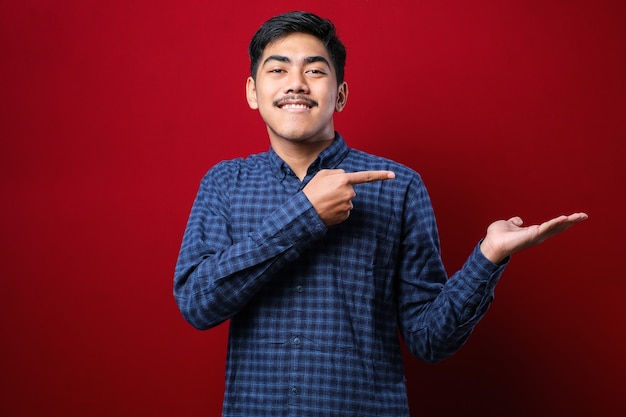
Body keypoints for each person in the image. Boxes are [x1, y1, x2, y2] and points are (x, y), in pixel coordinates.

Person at [173, 10, 587, 417]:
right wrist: (306, 213)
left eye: (315, 71)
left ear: (340, 94)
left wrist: (489, 257)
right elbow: (197, 304)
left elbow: (428, 339)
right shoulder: (224, 183)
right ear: (252, 91)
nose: (296, 84)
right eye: (278, 70)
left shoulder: (399, 186)